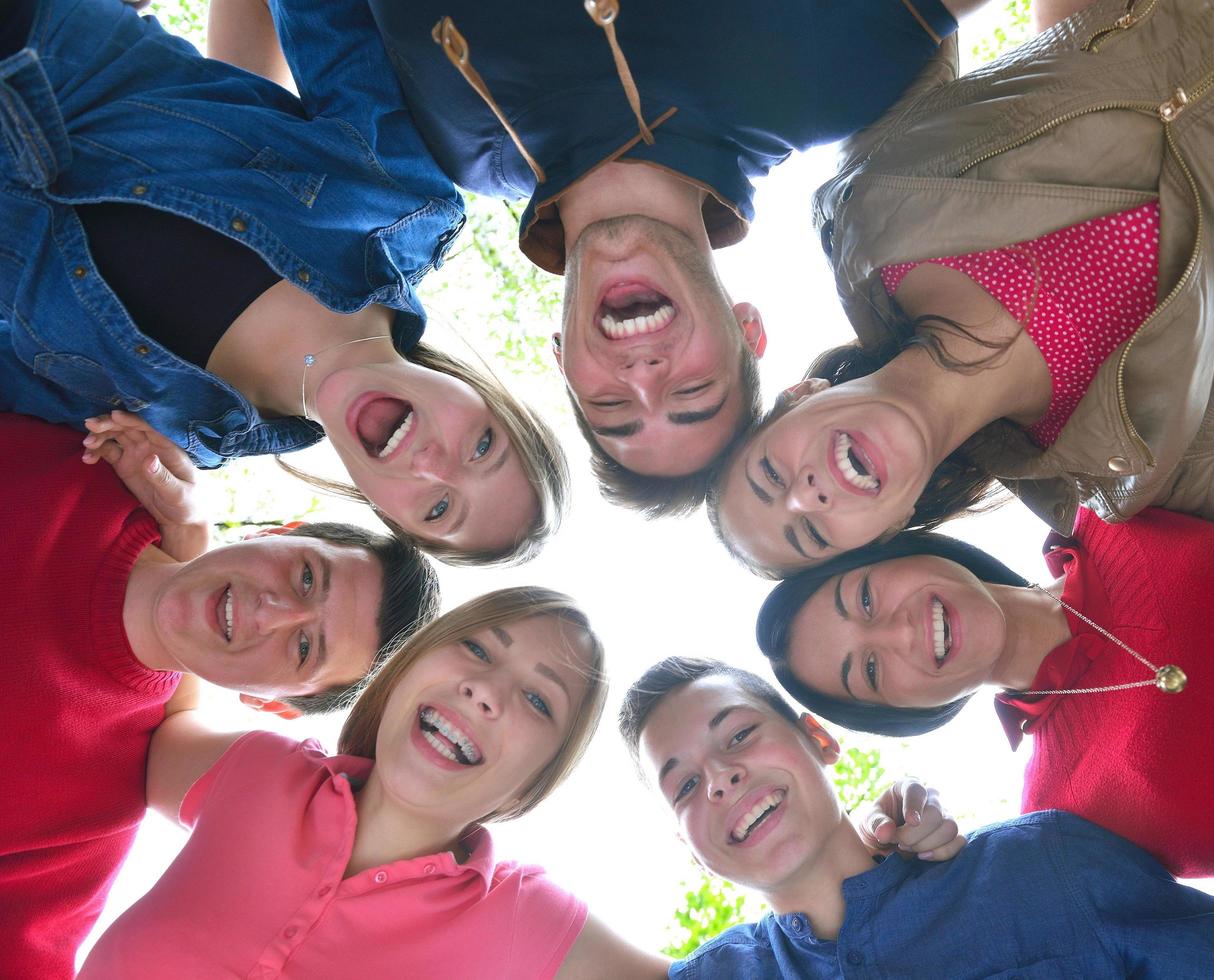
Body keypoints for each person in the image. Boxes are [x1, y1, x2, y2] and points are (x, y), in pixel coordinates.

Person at [749, 326, 1214, 977]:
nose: (899, 633)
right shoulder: (1059, 821)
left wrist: (1156, 349)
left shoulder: (1130, 500)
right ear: (905, 714)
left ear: (904, 548)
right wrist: (914, 863)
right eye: (868, 671)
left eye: (866, 599)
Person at [709, 0, 1214, 575]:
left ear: (799, 397)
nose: (807, 492)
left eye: (771, 473)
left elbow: (913, 18)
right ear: (893, 527)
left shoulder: (870, 207)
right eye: (811, 531)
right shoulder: (1148, 463)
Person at [364, 0, 1087, 512]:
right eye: (691, 393)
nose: (643, 377)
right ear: (748, 328)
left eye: (611, 404)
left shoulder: (439, 147)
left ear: (560, 358)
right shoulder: (826, 81)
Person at [76, 589, 950, 978]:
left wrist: (873, 862)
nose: (486, 692)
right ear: (409, 668)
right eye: (478, 649)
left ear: (531, 783)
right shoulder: (259, 775)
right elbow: (165, 726)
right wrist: (184, 548)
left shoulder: (528, 922)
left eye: (535, 699)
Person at [0, 0, 566, 565]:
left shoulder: (183, 434)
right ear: (484, 397)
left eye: (439, 509)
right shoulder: (400, 204)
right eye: (483, 446)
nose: (433, 464)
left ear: (381, 512)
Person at [619, 657, 1214, 978]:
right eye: (682, 785)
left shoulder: (1039, 869)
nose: (719, 778)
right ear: (687, 847)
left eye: (739, 734)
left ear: (819, 740)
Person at [0, 413, 440, 980]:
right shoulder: (94, 460)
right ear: (277, 533)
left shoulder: (92, 818)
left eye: (304, 648)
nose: (272, 611)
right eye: (307, 577)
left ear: (272, 704)